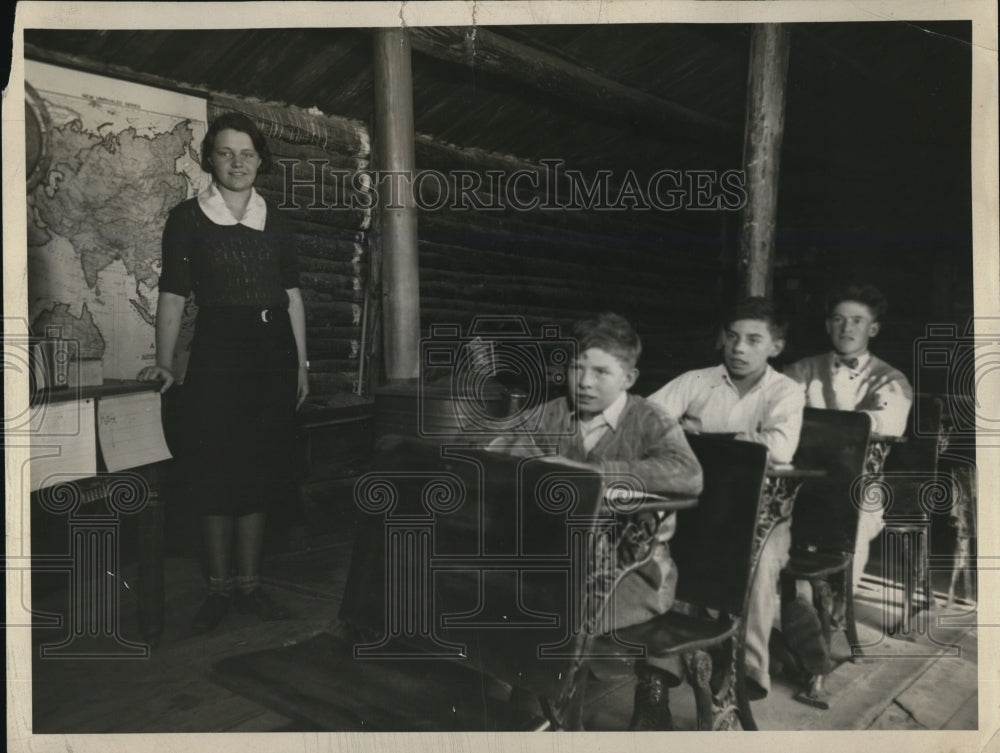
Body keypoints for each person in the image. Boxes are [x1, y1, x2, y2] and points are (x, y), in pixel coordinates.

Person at [138, 112, 309, 634]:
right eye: (226, 152)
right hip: (219, 352)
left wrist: (302, 365)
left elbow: (292, 297)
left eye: (248, 153)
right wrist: (166, 362)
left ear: (261, 160)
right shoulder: (187, 217)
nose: (238, 163)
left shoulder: (275, 218)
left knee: (260, 469)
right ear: (209, 158)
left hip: (274, 353)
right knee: (215, 469)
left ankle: (250, 587)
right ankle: (217, 591)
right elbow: (172, 293)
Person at [490, 312, 703, 730]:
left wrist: (595, 473)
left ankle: (557, 709)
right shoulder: (553, 413)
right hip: (559, 562)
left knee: (549, 607)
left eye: (601, 371)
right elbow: (493, 454)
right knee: (503, 593)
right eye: (575, 367)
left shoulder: (649, 420)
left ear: (628, 377)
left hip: (635, 572)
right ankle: (532, 695)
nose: (584, 382)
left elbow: (688, 473)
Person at [647, 297, 805, 700]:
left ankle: (746, 670)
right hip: (696, 509)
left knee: (760, 563)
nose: (738, 348)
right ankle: (657, 674)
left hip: (758, 512)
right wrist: (729, 443)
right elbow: (646, 422)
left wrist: (694, 441)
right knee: (656, 548)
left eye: (754, 340)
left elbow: (780, 448)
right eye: (732, 337)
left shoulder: (785, 392)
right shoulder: (697, 382)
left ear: (776, 346)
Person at [784, 282, 913, 588]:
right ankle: (799, 597)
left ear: (873, 329)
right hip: (800, 478)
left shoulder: (890, 379)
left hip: (857, 482)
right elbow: (777, 409)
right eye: (839, 319)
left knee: (854, 519)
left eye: (858, 321)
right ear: (829, 325)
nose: (847, 328)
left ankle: (841, 602)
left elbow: (888, 424)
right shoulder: (802, 370)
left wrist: (813, 422)